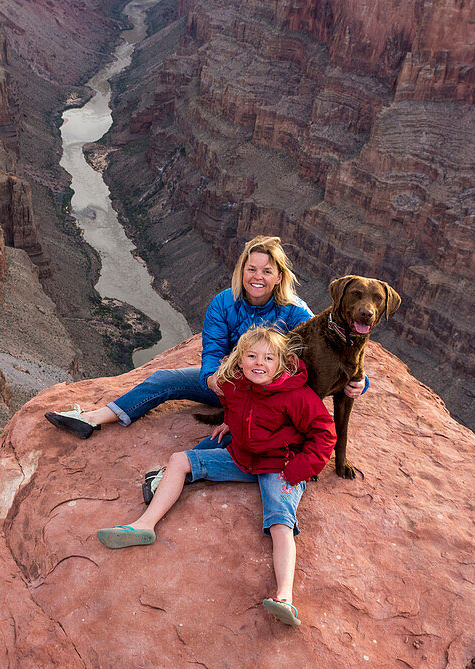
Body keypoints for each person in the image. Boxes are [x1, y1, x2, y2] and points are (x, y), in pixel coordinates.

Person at [94, 327, 336, 627]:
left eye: (268, 358)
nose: (259, 363)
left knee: (279, 522)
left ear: (282, 363)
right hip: (241, 458)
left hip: (280, 465)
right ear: (240, 359)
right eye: (251, 356)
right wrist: (230, 425)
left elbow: (324, 434)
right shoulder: (234, 384)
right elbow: (240, 408)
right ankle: (144, 526)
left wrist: (297, 471)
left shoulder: (297, 396)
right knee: (179, 460)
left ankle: (284, 597)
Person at [45, 235, 362, 438]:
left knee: (238, 434)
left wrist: (360, 382)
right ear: (242, 270)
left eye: (267, 271)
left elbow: (335, 354)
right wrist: (212, 376)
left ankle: (180, 472)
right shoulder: (224, 302)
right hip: (230, 384)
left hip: (273, 396)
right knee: (163, 380)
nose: (258, 277)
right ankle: (93, 419)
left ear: (279, 276)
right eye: (252, 269)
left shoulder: (296, 312)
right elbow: (212, 350)